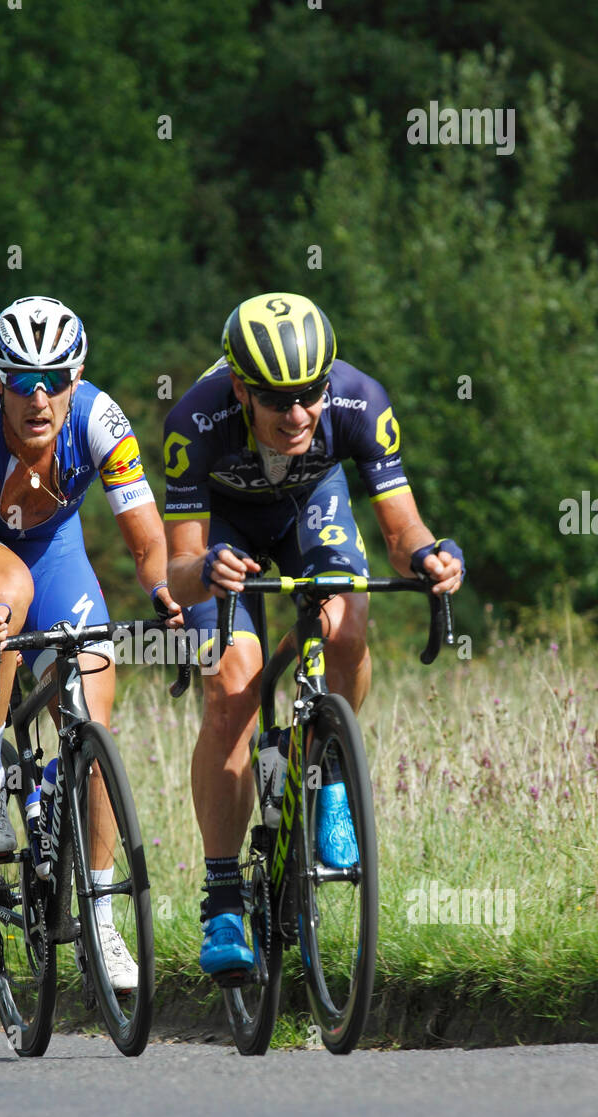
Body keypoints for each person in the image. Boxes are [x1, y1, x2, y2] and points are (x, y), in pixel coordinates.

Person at [163, 293, 465, 975]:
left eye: (310, 395)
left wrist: (428, 557)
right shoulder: (194, 421)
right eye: (277, 401)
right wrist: (206, 568)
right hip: (226, 534)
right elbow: (177, 569)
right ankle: (222, 898)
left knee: (347, 621)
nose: (298, 415)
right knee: (230, 690)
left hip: (309, 510)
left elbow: (399, 530)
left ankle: (325, 762)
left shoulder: (360, 401)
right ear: (241, 388)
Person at [0, 295, 180, 989]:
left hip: (57, 553)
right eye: (23, 381)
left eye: (55, 379)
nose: (40, 397)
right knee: (7, 596)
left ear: (78, 373)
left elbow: (148, 539)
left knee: (92, 719)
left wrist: (160, 591)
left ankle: (99, 916)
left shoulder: (99, 418)